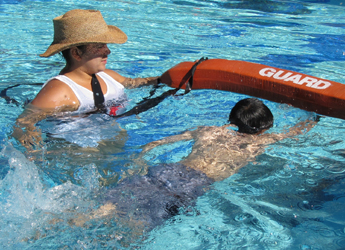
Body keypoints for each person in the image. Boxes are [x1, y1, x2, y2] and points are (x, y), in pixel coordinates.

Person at [70, 98, 316, 240]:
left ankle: (68, 221)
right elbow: (296, 131)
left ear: (232, 120)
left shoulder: (208, 130)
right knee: (140, 225)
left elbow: (157, 143)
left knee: (109, 205)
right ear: (264, 128)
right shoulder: (261, 141)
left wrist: (140, 158)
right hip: (192, 185)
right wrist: (315, 116)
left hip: (166, 170)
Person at [12, 9, 159, 149]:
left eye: (106, 44)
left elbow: (132, 83)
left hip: (112, 145)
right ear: (76, 53)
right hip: (79, 154)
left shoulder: (107, 75)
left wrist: (162, 79)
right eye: (99, 46)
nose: (108, 51)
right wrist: (34, 150)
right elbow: (23, 123)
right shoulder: (61, 91)